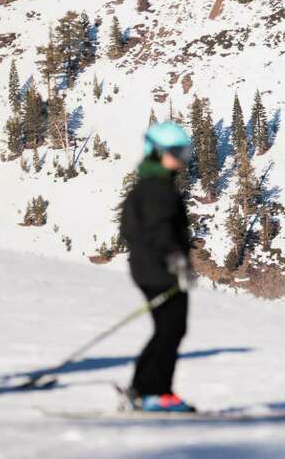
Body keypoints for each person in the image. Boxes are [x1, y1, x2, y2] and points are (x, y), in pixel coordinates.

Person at [119, 121, 199, 412]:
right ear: (156, 152)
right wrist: (175, 259)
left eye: (184, 152)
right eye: (175, 152)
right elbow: (159, 229)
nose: (181, 158)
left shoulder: (150, 184)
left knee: (167, 329)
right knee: (171, 329)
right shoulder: (156, 189)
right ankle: (155, 392)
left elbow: (132, 228)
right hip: (160, 270)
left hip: (150, 268)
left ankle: (142, 388)